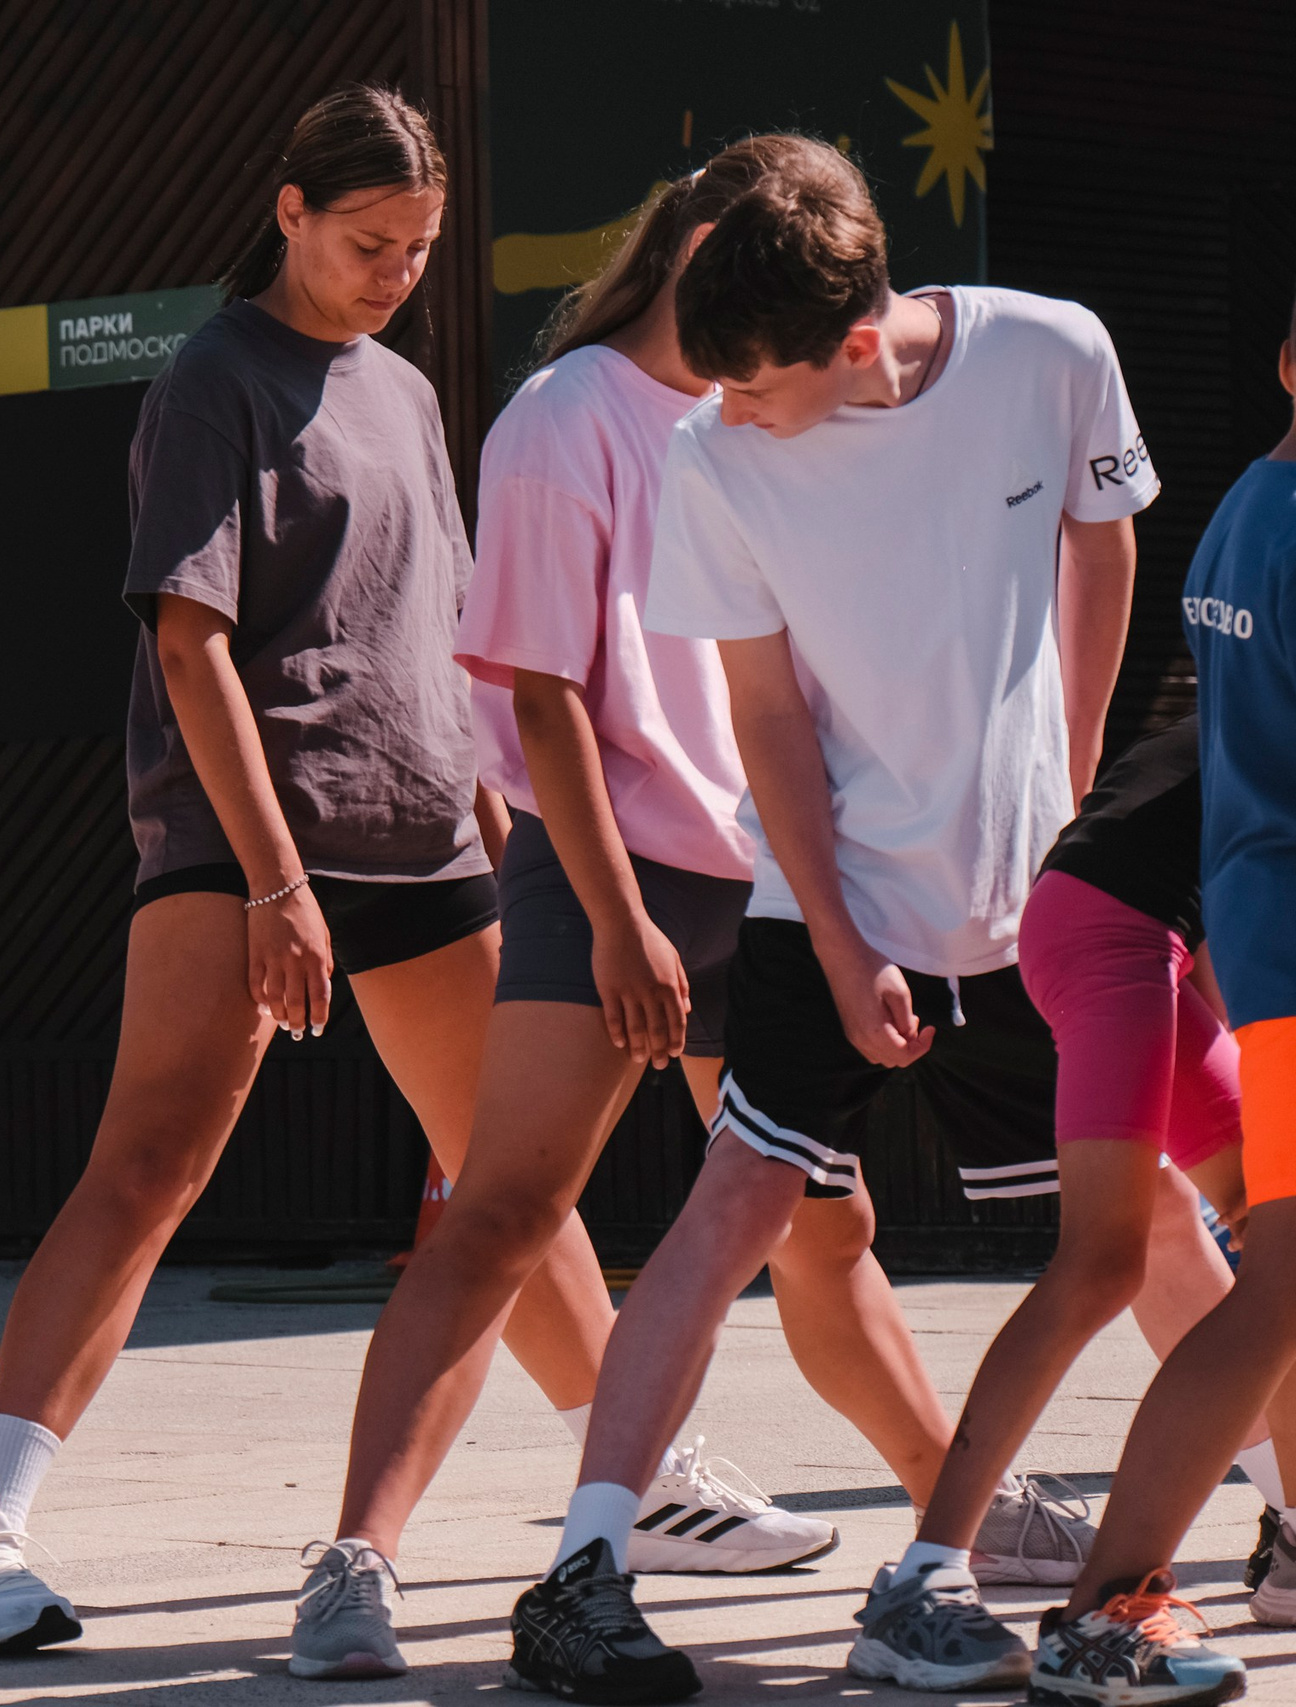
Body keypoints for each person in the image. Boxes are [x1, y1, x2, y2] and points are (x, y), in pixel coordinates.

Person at [0, 85, 636, 1667]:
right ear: (291, 208)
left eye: (422, 249)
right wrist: (269, 880)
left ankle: (637, 1486)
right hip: (251, 837)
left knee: (510, 1180)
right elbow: (191, 639)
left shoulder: (403, 387)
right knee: (150, 1164)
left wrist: (500, 814)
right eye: (372, 241)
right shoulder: (207, 380)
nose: (396, 271)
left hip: (428, 832)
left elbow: (439, 618)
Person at [310, 137, 1007, 1683]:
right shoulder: (567, 415)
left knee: (828, 1229)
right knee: (500, 1208)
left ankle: (959, 1495)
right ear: (692, 240)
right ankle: (356, 1558)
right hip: (614, 865)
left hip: (776, 868)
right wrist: (619, 919)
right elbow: (542, 691)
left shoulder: (778, 407)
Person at [510, 137, 1159, 1702]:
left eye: (754, 386)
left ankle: (1270, 1511)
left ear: (858, 340)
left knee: (1161, 1231)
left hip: (1032, 897)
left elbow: (1104, 543)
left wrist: (1064, 785)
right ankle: (584, 1568)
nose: (726, 410)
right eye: (712, 386)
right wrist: (850, 935)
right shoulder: (710, 459)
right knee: (732, 1205)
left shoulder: (1054, 349)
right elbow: (766, 715)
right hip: (829, 894)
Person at [850, 712, 1296, 1691]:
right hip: (1108, 937)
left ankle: (1295, 1543)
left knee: (1277, 1253)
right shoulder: (1265, 667)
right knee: (1100, 1262)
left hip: (1118, 931)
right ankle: (926, 1581)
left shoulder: (1243, 672)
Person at [1023, 306, 1296, 1707]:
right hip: (1278, 947)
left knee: (1278, 1271)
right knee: (1276, 1282)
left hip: (1255, 933)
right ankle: (1105, 1604)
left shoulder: (1247, 509)